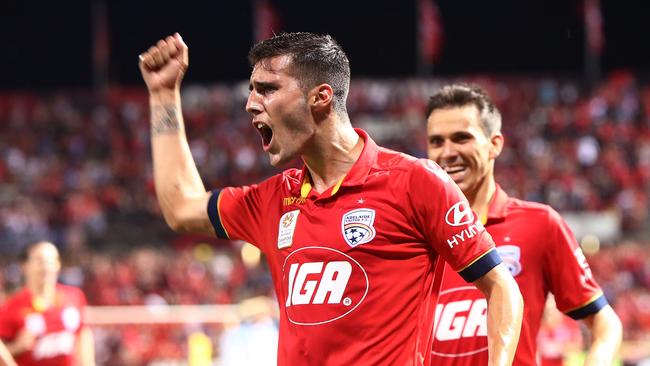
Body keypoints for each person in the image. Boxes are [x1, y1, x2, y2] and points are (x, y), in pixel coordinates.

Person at [138, 32, 523, 365]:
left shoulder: (415, 182)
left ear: (320, 97)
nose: (251, 104)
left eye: (268, 89)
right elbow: (181, 207)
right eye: (252, 90)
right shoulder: (274, 199)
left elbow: (501, 286)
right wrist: (163, 96)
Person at [425, 84, 622, 365]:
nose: (448, 152)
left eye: (461, 138)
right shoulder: (415, 233)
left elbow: (605, 324)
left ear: (495, 144)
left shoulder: (540, 225)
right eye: (436, 141)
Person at [0, 241, 95, 366]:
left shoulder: (74, 296)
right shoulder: (11, 306)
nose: (46, 267)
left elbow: (83, 334)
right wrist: (16, 347)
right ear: (25, 266)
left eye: (51, 261)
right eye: (40, 261)